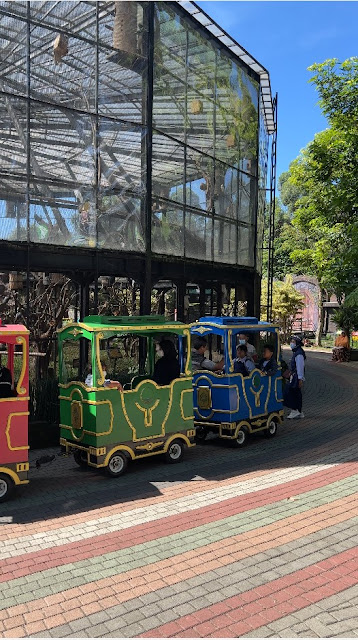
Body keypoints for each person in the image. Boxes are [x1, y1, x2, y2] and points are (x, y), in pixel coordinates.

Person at [284, 335, 306, 419]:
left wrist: (300, 379)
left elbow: (300, 367)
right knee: (296, 394)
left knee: (290, 392)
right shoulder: (296, 352)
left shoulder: (299, 354)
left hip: (296, 377)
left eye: (293, 342)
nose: (291, 343)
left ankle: (294, 410)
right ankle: (299, 411)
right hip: (294, 376)